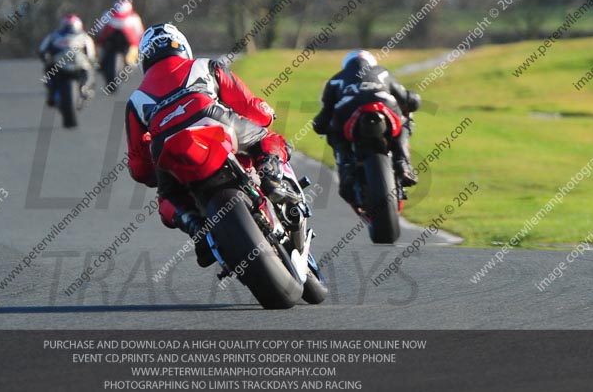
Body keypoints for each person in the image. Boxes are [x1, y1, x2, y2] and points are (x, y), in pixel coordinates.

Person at [125, 23, 289, 267]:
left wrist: (156, 174)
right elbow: (250, 108)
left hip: (165, 143)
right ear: (182, 47)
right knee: (265, 138)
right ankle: (271, 175)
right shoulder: (204, 65)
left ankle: (194, 226)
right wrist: (267, 115)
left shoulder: (136, 100)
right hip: (211, 117)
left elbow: (139, 167)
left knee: (167, 197)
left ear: (144, 59)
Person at [313, 50, 421, 214]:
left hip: (348, 111)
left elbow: (323, 117)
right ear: (371, 63)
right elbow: (408, 100)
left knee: (334, 133)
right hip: (384, 107)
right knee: (404, 125)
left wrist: (320, 126)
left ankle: (347, 167)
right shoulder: (382, 72)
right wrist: (413, 100)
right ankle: (403, 164)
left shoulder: (336, 79)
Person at [38, 14, 97, 105]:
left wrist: (90, 61)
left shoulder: (84, 37)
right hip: (59, 65)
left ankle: (85, 87)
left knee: (89, 70)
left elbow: (91, 54)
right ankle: (52, 92)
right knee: (48, 70)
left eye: (71, 26)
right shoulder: (54, 35)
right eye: (67, 26)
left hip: (78, 65)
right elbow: (42, 50)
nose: (69, 29)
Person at [96, 0, 144, 76]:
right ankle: (100, 63)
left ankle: (129, 66)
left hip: (128, 45)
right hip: (109, 44)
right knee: (99, 51)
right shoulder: (107, 15)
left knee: (132, 56)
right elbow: (99, 31)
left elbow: (140, 33)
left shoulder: (134, 18)